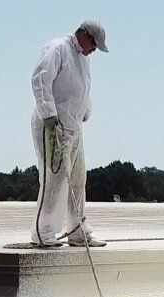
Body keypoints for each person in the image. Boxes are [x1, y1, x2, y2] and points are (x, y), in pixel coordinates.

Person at [30, 20, 108, 247]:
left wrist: (86, 110)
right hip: (53, 126)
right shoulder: (58, 49)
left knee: (77, 179)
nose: (94, 49)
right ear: (83, 34)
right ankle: (42, 231)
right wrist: (48, 113)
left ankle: (77, 229)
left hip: (74, 127)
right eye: (93, 44)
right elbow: (40, 80)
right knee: (53, 179)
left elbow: (82, 89)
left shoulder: (84, 59)